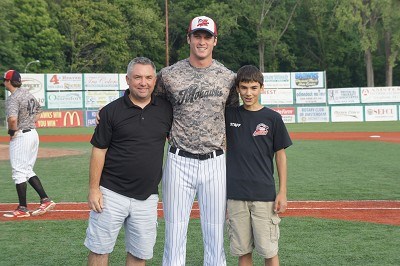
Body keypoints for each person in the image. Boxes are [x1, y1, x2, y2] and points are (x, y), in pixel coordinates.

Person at [154, 16, 239, 265]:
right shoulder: (169, 75)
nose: (202, 41)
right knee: (174, 232)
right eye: (197, 36)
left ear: (215, 41)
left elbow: (235, 113)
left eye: (207, 37)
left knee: (214, 234)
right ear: (189, 38)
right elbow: (147, 101)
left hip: (215, 161)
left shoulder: (227, 77)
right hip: (179, 159)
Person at [84, 57, 173, 266]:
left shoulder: (166, 110)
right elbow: (99, 150)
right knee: (99, 250)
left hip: (147, 196)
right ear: (127, 80)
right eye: (138, 77)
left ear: (155, 80)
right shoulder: (111, 111)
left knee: (139, 254)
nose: (143, 82)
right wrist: (94, 189)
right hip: (110, 193)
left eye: (149, 77)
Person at [225, 65, 292, 266]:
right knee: (243, 252)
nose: (248, 93)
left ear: (262, 88)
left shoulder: (273, 118)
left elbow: (281, 156)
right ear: (237, 88)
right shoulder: (229, 115)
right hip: (236, 195)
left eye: (254, 88)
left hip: (264, 195)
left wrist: (282, 192)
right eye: (244, 87)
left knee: (269, 251)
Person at [3, 69, 56, 218]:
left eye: (5, 80)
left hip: (21, 135)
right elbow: (39, 110)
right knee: (26, 170)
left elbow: (13, 120)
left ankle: (22, 208)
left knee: (19, 172)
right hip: (33, 133)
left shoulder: (13, 98)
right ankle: (45, 200)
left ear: (8, 82)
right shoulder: (27, 93)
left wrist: (12, 132)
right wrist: (30, 121)